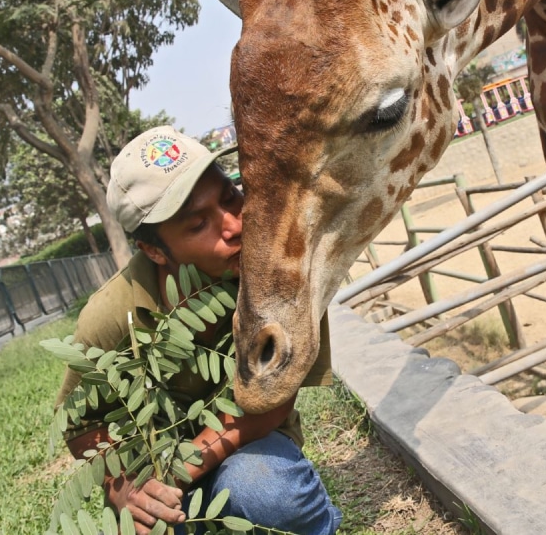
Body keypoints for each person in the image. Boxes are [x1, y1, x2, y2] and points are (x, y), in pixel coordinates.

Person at [55, 126, 341, 535]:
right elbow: (80, 426)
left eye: (229, 197)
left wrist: (176, 472)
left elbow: (274, 399)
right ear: (154, 251)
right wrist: (127, 489)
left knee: (262, 489)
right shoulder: (112, 318)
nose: (234, 225)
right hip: (157, 476)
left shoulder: (281, 272)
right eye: (197, 225)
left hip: (251, 449)